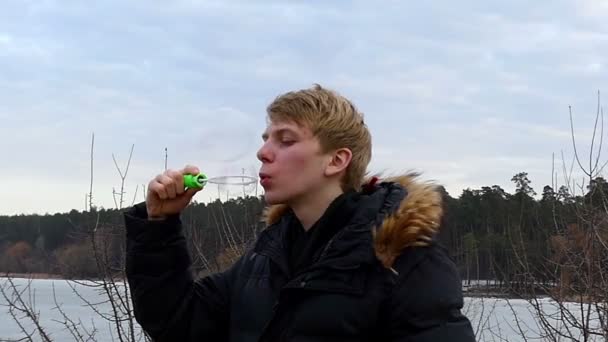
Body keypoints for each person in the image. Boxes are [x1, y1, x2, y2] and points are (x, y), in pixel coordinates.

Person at [124, 84, 476, 341]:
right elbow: (177, 324)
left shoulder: (404, 260)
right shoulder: (264, 259)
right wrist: (160, 225)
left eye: (286, 140)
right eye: (266, 138)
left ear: (337, 160)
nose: (263, 152)